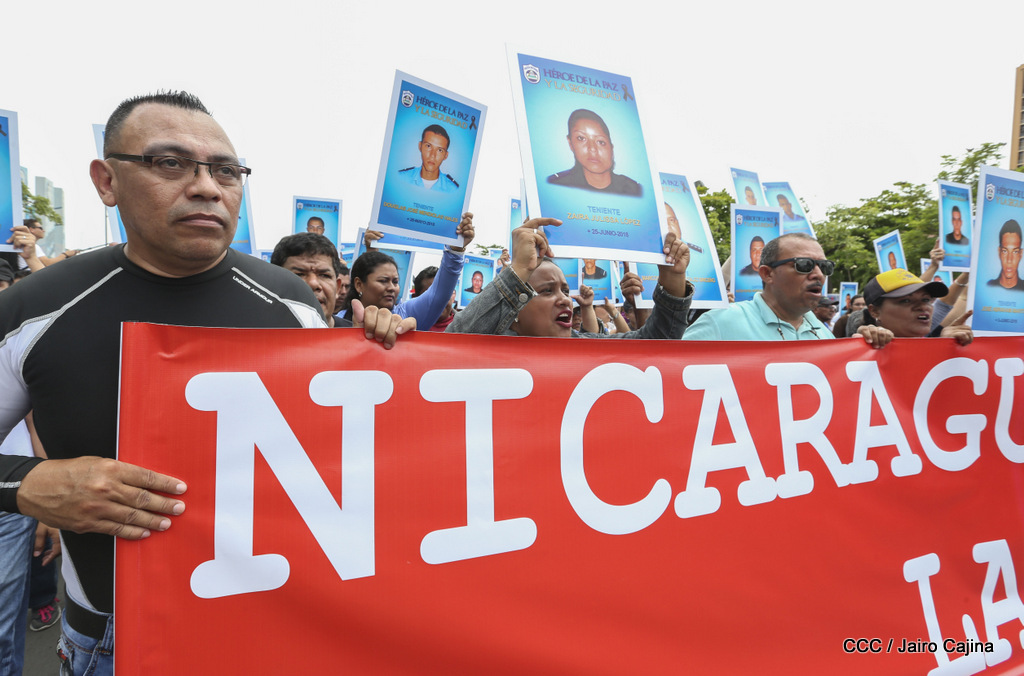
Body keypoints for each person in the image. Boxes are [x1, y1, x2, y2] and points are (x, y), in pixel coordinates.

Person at [0, 91, 411, 676]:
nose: (206, 188)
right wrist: (27, 483)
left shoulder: (292, 302)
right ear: (106, 181)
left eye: (226, 171)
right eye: (170, 163)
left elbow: (355, 458)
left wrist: (390, 362)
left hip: (282, 618)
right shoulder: (36, 308)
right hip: (113, 639)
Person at [448, 217, 693, 339]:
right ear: (514, 314)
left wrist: (673, 280)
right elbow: (452, 346)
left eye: (565, 291)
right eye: (547, 291)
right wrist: (519, 269)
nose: (565, 300)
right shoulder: (491, 355)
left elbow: (654, 343)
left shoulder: (585, 346)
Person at [684, 233, 892, 345]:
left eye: (824, 267)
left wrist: (864, 348)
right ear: (767, 274)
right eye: (804, 265)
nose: (818, 274)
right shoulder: (720, 323)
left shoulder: (823, 335)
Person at [351, 214, 475, 327]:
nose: (391, 288)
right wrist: (372, 248)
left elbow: (439, 294)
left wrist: (455, 250)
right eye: (383, 281)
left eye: (395, 282)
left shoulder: (406, 315)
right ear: (359, 285)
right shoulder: (339, 321)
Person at [855, 269, 973, 344]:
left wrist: (947, 347)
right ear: (875, 311)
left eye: (926, 300)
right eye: (906, 300)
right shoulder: (861, 350)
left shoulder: (942, 344)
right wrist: (862, 344)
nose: (923, 307)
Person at [547, 109, 641, 196]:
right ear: (570, 143)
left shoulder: (635, 190)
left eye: (601, 142)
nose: (592, 148)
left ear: (611, 148)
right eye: (581, 138)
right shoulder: (555, 185)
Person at [270, 233, 345, 327]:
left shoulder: (357, 332)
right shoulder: (255, 333)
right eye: (299, 274)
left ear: (337, 288)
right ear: (275, 285)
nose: (313, 283)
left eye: (324, 275)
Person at [396, 124, 459, 192]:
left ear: (446, 156)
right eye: (428, 146)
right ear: (420, 146)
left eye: (440, 150)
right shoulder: (400, 177)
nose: (432, 155)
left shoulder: (453, 189)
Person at [411, 265, 457, 332]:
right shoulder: (407, 328)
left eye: (444, 293)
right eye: (431, 295)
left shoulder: (467, 326)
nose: (439, 300)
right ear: (415, 298)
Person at [987, 219, 1024, 291]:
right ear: (999, 252)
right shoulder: (988, 287)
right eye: (1005, 251)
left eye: (1015, 252)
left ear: (1021, 254)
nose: (1009, 260)